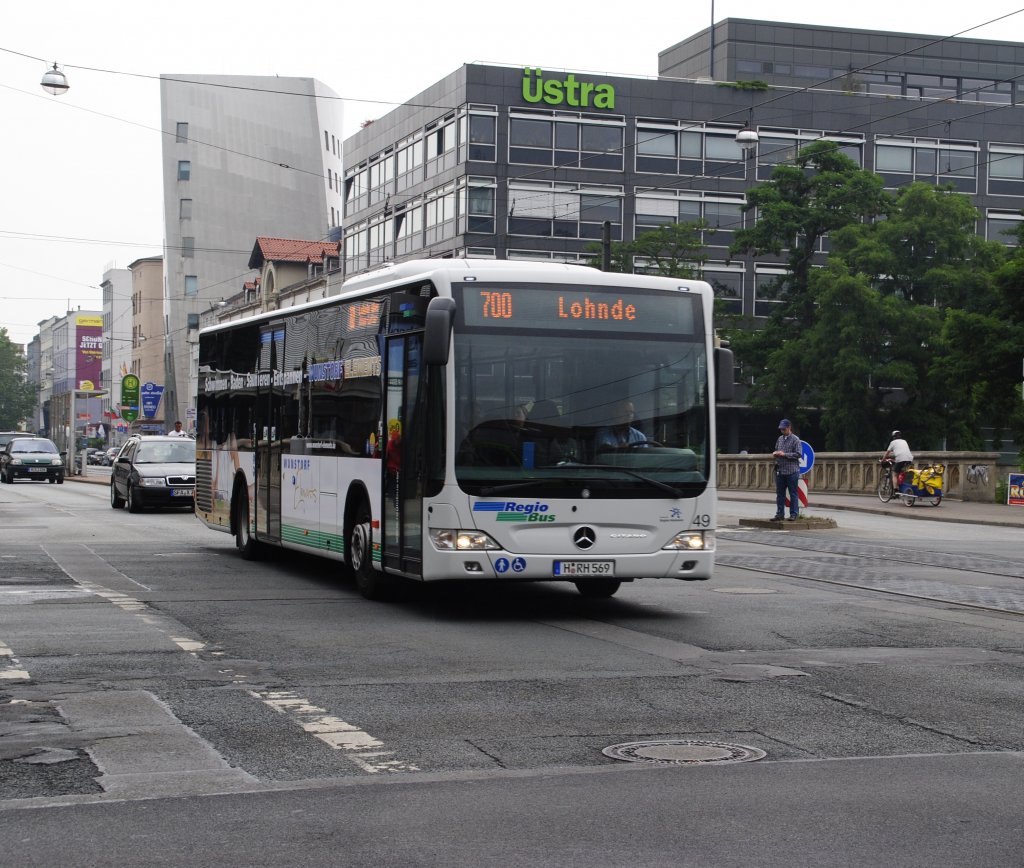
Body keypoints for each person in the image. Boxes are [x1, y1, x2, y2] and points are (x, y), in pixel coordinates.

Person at [772, 418, 802, 521]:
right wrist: (776, 453)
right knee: (780, 494)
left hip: (792, 471)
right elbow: (776, 448)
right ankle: (780, 514)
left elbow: (798, 454)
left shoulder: (795, 439)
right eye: (781, 429)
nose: (782, 431)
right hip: (780, 470)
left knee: (793, 493)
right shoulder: (780, 439)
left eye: (784, 429)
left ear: (789, 428)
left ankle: (794, 514)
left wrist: (785, 454)